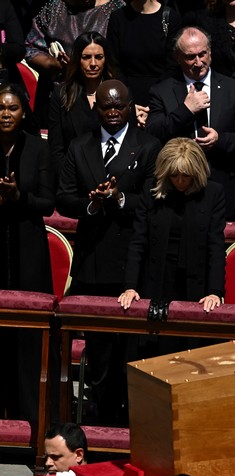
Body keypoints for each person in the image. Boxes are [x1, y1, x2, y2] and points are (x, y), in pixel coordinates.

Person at [56, 80, 161, 425]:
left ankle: (131, 421)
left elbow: (151, 199)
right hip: (94, 262)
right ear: (96, 109)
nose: (113, 113)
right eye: (106, 107)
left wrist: (118, 199)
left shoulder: (147, 146)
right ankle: (98, 422)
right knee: (99, 352)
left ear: (130, 107)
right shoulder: (79, 147)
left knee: (131, 351)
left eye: (119, 107)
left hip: (134, 261)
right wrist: (93, 202)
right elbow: (64, 198)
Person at [119, 138, 225, 351]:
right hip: (156, 279)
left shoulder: (213, 193)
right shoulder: (152, 189)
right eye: (174, 175)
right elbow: (138, 240)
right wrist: (130, 286)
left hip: (195, 282)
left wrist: (215, 291)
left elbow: (215, 245)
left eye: (185, 176)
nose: (179, 181)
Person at [146, 25, 235, 220]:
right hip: (177, 190)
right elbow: (153, 134)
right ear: (177, 57)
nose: (198, 62)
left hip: (223, 188)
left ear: (210, 52)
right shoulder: (161, 91)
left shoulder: (234, 88)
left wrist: (219, 139)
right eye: (190, 57)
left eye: (202, 54)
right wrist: (185, 110)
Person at [0, 82, 55, 430]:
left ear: (23, 113)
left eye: (12, 108)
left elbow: (48, 205)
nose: (5, 114)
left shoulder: (39, 150)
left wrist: (18, 197)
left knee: (27, 337)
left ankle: (29, 423)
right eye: (0, 108)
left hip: (28, 249)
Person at [24, 0, 125, 128]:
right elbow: (30, 49)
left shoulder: (115, 9)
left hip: (101, 96)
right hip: (58, 95)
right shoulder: (53, 8)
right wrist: (55, 64)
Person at [48, 31, 117, 164]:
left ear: (105, 59)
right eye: (86, 57)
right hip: (72, 173)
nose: (92, 63)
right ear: (78, 60)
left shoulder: (118, 93)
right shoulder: (62, 94)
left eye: (98, 57)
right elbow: (56, 148)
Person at [106, 0, 182, 108]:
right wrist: (129, 102)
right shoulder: (117, 18)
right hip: (127, 98)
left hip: (161, 98)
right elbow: (113, 64)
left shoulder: (169, 17)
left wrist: (154, 102)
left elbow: (173, 65)